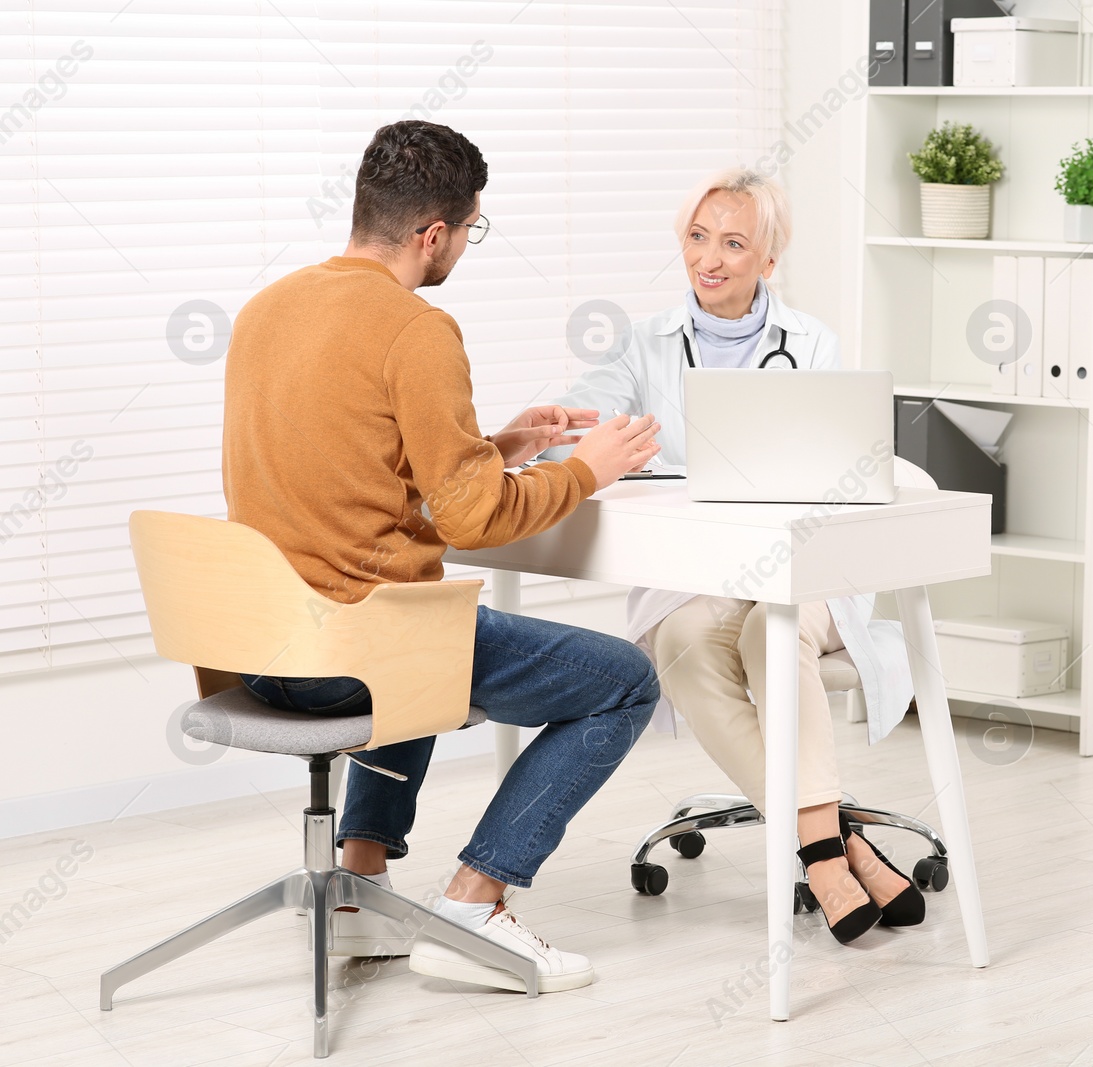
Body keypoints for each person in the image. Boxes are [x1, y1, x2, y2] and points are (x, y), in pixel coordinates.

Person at [221, 120, 663, 993]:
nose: (464, 245)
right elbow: (474, 521)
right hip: (353, 656)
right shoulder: (416, 328)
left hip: (260, 648)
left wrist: (495, 445)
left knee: (426, 617)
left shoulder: (266, 308)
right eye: (469, 230)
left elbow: (344, 470)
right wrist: (587, 468)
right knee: (623, 680)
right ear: (434, 235)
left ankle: (358, 891)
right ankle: (475, 899)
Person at [544, 168, 925, 943]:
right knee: (681, 642)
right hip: (702, 582)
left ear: (769, 260)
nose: (708, 258)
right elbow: (580, 423)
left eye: (733, 242)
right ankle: (837, 841)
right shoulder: (642, 345)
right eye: (696, 236)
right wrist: (575, 434)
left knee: (768, 634)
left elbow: (845, 463)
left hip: (808, 569)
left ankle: (819, 856)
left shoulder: (812, 343)